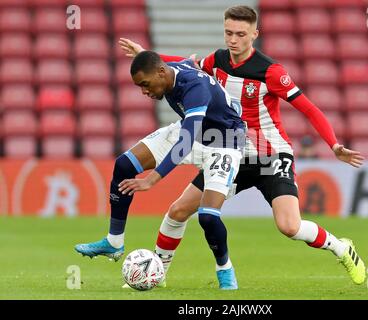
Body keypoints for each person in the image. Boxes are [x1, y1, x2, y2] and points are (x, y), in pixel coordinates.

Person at [118, 5, 367, 287]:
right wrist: (146, 55)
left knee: (290, 227)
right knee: (178, 211)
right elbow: (179, 66)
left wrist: (333, 144)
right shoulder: (217, 61)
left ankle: (341, 248)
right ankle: (157, 274)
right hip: (229, 150)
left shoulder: (271, 72)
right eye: (228, 33)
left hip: (269, 154)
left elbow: (309, 109)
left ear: (254, 34)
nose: (233, 40)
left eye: (240, 34)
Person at [75, 50, 246, 290]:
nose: (144, 91)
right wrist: (142, 52)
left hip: (225, 142)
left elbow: (185, 142)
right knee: (124, 164)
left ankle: (224, 269)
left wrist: (151, 180)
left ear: (161, 72)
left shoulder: (194, 87)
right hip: (193, 132)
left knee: (207, 216)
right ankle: (114, 242)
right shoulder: (171, 71)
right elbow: (183, 61)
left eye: (145, 84)